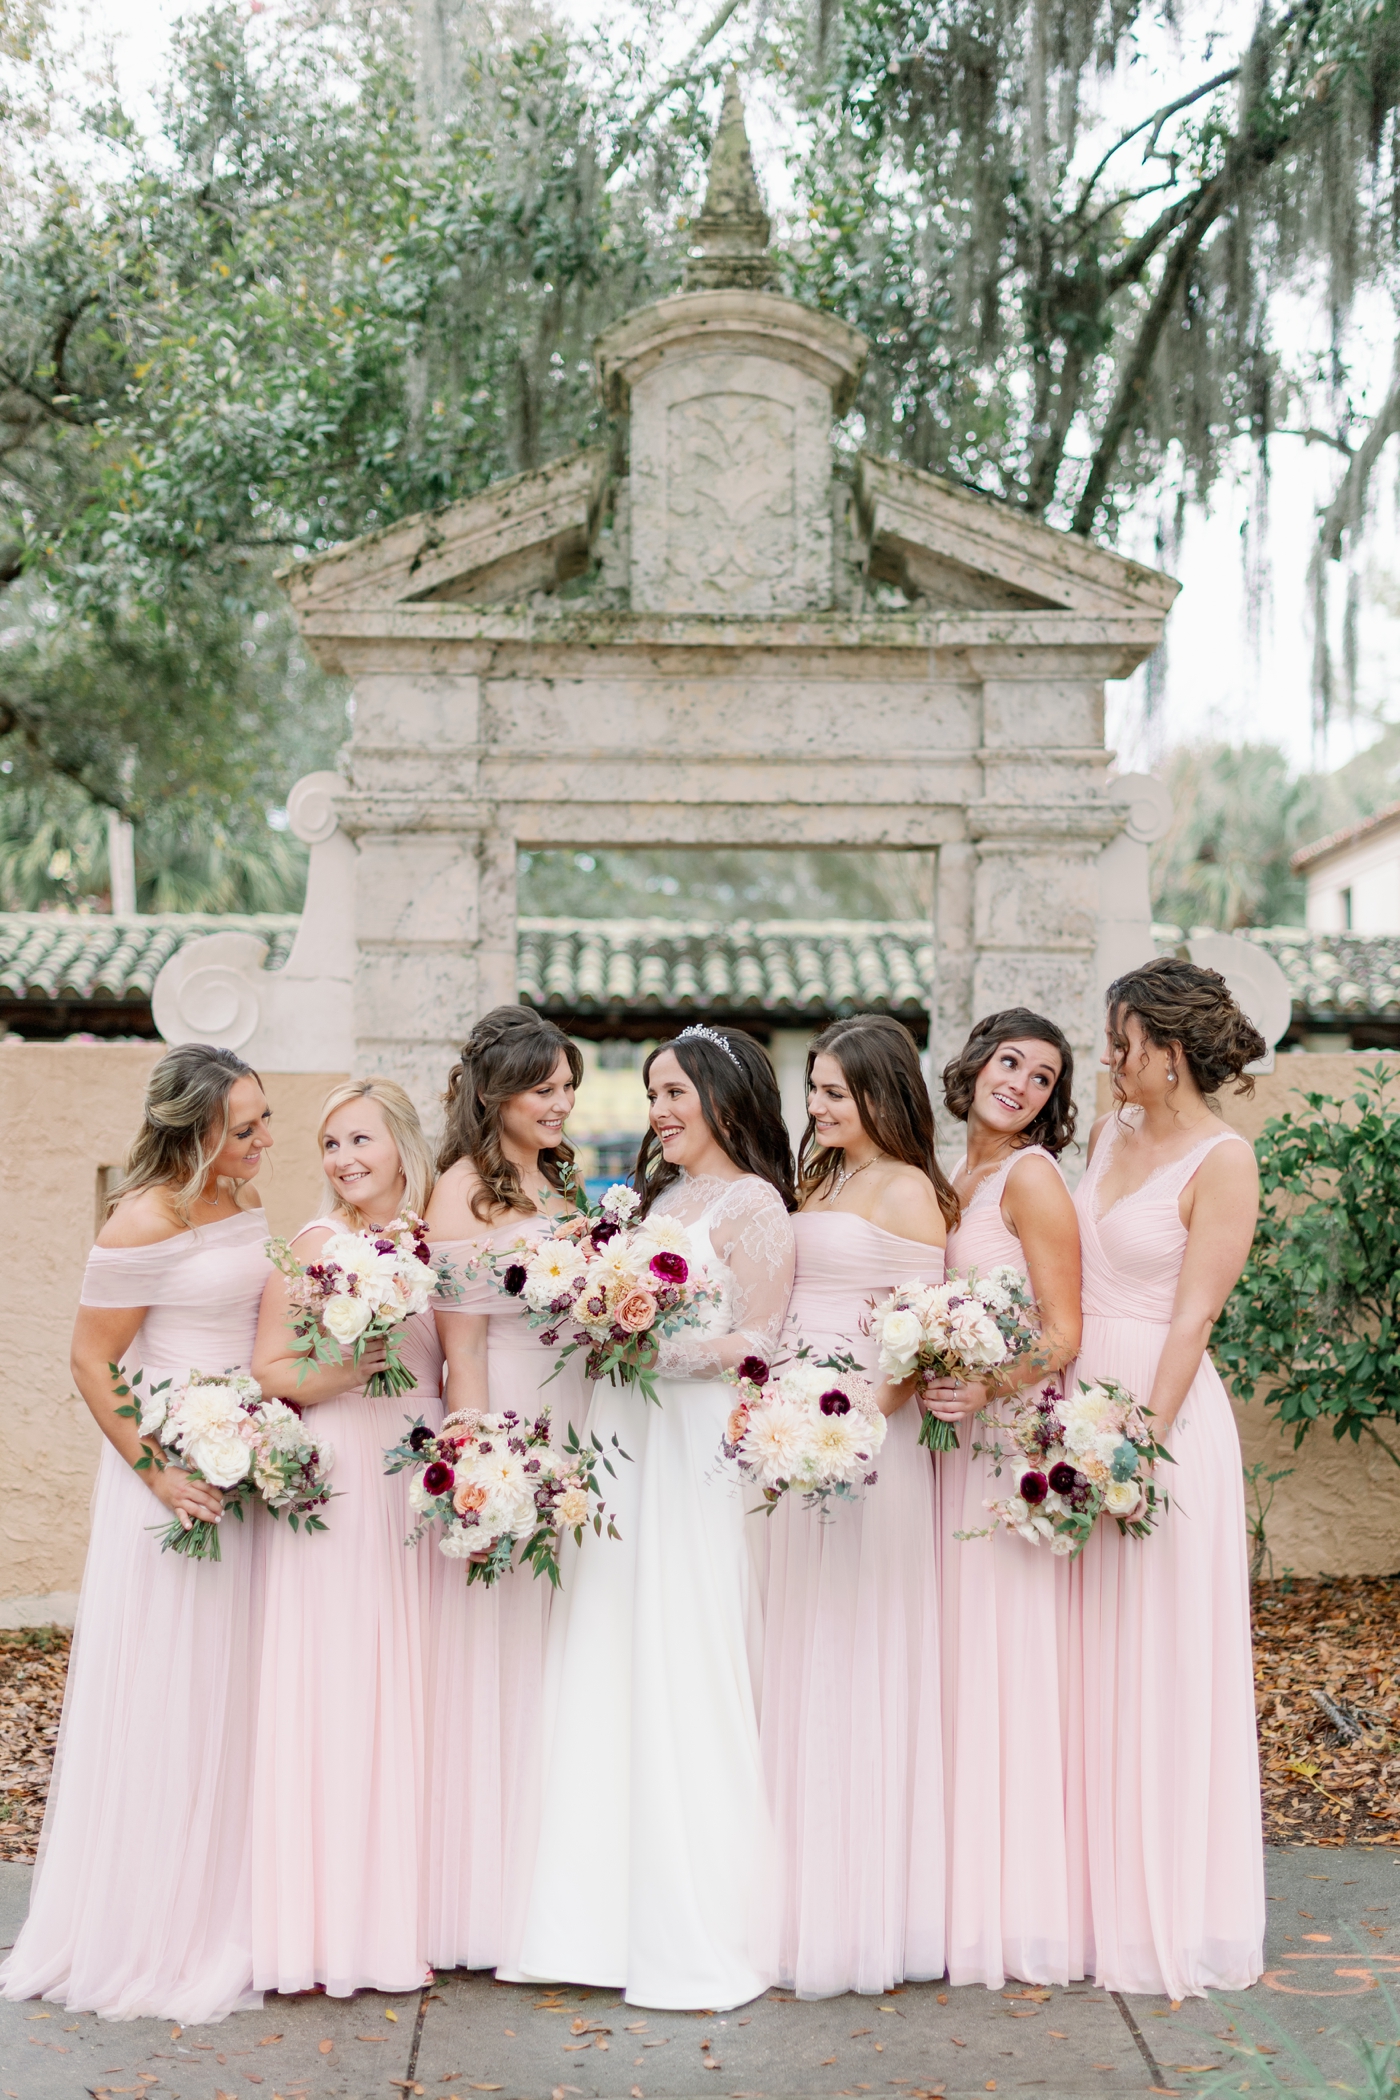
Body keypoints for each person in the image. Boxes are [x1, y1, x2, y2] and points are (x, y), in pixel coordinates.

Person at [516, 1024, 796, 2009]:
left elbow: (760, 1342)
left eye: (675, 1092)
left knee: (686, 1645)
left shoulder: (754, 1204)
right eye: (652, 1095)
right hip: (625, 1435)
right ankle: (591, 1920)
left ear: (722, 1097)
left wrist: (650, 1346)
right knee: (610, 1643)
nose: (660, 1112)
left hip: (690, 1442)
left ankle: (697, 1918)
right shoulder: (657, 1201)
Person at [2, 1044, 274, 2022]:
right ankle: (153, 1918)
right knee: (172, 1681)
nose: (263, 1140)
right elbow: (91, 1361)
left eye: (264, 1120)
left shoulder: (243, 1202)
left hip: (245, 1458)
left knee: (235, 1682)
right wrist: (157, 1469)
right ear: (194, 1131)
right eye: (244, 1127)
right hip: (168, 1471)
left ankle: (232, 1893)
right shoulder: (141, 1221)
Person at [1069, 956, 1265, 1999]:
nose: (1111, 1059)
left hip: (1160, 1415)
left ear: (1170, 1052)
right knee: (1086, 1655)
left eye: (1124, 1043)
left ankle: (1170, 1906)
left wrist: (1137, 1443)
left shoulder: (1224, 1161)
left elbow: (1193, 1316)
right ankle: (1086, 1897)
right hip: (1074, 1409)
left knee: (1157, 1655)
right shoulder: (1110, 1132)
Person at [756, 1014, 956, 1998]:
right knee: (794, 1643)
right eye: (815, 1089)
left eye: (835, 1091)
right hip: (795, 1430)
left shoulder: (909, 1188)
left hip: (864, 1439)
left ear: (882, 1092)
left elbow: (916, 1339)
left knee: (856, 1648)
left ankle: (861, 1906)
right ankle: (787, 1888)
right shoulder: (822, 1177)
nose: (818, 1105)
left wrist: (850, 1427)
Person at [249, 1078, 439, 2000]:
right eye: (331, 1144)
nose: (345, 1159)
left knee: (417, 1680)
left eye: (361, 1139)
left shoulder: (434, 1237)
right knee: (341, 1677)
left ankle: (414, 1903)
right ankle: (326, 1921)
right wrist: (350, 1369)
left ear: (402, 1144)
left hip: (420, 1467)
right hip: (347, 1464)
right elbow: (270, 1368)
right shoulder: (317, 1244)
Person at [420, 1007, 591, 1979]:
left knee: (570, 1646)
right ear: (496, 1095)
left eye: (567, 1087)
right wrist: (483, 1468)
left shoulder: (562, 1182)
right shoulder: (459, 1193)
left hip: (584, 1423)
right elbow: (465, 1351)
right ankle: (492, 1890)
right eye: (545, 1089)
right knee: (509, 1646)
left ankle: (564, 1872)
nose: (562, 1103)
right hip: (514, 1425)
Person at [926, 1010, 1083, 1989]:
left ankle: (1009, 1903)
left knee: (998, 1655)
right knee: (948, 1653)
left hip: (998, 1444)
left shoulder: (1031, 1178)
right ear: (976, 1063)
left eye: (1042, 1077)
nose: (1019, 1083)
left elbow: (1062, 1333)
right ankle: (947, 1889)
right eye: (1009, 1061)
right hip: (942, 1443)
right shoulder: (950, 1176)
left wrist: (985, 1388)